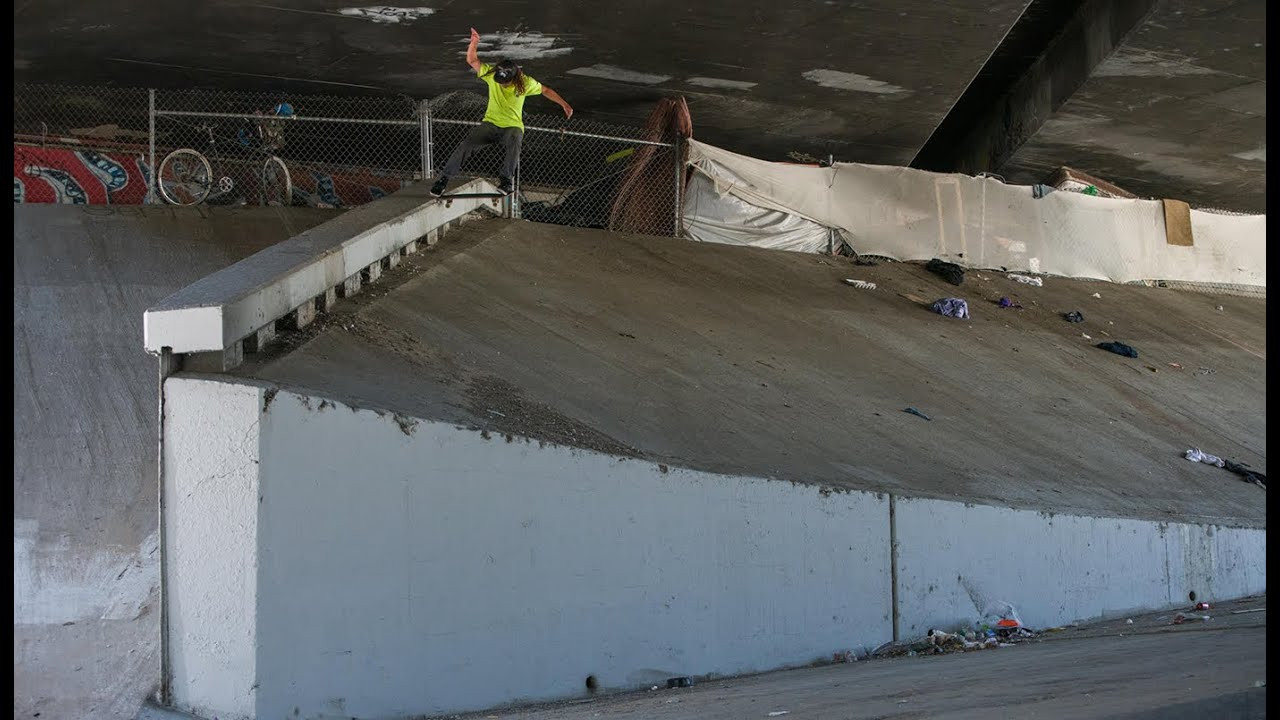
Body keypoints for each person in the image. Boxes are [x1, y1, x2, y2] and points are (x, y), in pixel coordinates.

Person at [431, 27, 573, 197]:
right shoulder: (492, 76)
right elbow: (472, 60)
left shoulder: (526, 83)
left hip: (511, 126)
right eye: (499, 82)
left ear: (514, 78)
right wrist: (474, 42)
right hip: (490, 124)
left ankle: (506, 181)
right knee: (466, 145)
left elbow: (545, 90)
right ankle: (443, 180)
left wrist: (564, 104)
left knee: (515, 141)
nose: (501, 84)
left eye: (505, 83)